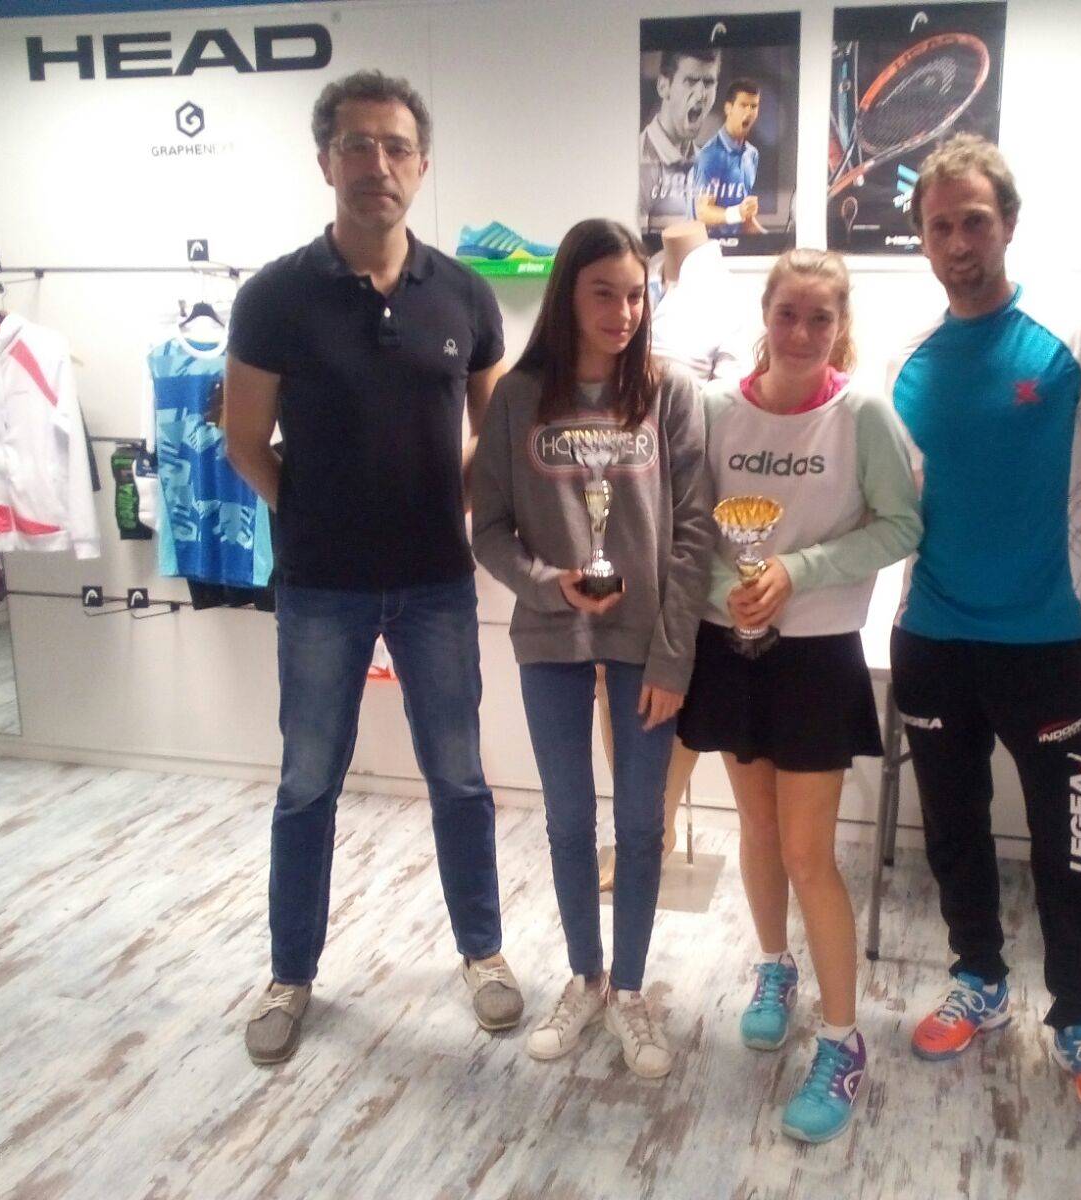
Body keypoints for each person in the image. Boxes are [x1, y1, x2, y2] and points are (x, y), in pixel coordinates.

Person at [224, 69, 520, 1066]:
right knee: (308, 783)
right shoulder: (274, 297)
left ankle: (482, 953)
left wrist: (444, 505)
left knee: (460, 777)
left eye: (396, 147)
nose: (376, 164)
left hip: (437, 582)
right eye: (356, 144)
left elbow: (495, 437)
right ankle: (290, 975)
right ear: (326, 161)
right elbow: (244, 442)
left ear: (421, 165)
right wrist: (312, 514)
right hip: (320, 587)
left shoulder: (465, 294)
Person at [888, 133, 1081, 1130]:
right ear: (921, 238)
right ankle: (979, 979)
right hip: (931, 640)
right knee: (951, 831)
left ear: (1007, 223)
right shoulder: (905, 360)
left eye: (974, 221)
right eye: (939, 226)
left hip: (1047, 648)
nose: (958, 242)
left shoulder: (1076, 336)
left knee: (1069, 847)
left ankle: (1079, 1019)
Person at [680, 248, 919, 1141]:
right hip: (731, 646)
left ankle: (844, 1041)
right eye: (788, 314)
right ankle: (775, 967)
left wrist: (798, 571)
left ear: (840, 325)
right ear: (765, 316)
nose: (803, 332)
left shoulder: (863, 415)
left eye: (821, 318)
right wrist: (727, 589)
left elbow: (902, 525)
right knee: (758, 830)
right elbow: (688, 530)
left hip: (818, 658)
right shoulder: (714, 410)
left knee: (809, 854)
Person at [470, 218, 712, 1080]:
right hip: (551, 637)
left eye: (635, 295)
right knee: (570, 820)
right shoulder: (517, 397)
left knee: (642, 823)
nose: (622, 312)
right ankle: (585, 978)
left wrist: (675, 658)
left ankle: (632, 990)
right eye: (603, 293)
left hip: (648, 642)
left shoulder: (670, 393)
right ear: (567, 294)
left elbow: (694, 535)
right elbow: (489, 530)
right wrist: (549, 583)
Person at [638, 49, 721, 234]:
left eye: (708, 83)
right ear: (663, 87)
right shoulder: (638, 161)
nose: (701, 94)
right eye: (690, 81)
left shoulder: (707, 164)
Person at [694, 79, 765, 238]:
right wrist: (737, 213)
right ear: (728, 108)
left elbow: (745, 220)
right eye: (743, 105)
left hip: (739, 247)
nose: (749, 112)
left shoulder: (752, 155)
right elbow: (703, 213)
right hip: (708, 246)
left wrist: (775, 243)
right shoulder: (710, 155)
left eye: (754, 106)